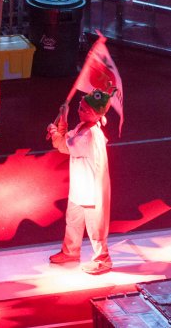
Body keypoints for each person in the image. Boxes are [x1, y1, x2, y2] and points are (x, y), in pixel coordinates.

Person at [46, 89, 113, 275]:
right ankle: (70, 252)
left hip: (92, 190)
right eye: (80, 107)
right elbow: (67, 138)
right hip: (80, 186)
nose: (79, 110)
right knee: (73, 222)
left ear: (94, 113)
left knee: (96, 228)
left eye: (84, 109)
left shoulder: (90, 135)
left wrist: (54, 130)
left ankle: (103, 260)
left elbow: (62, 145)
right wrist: (63, 119)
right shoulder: (83, 127)